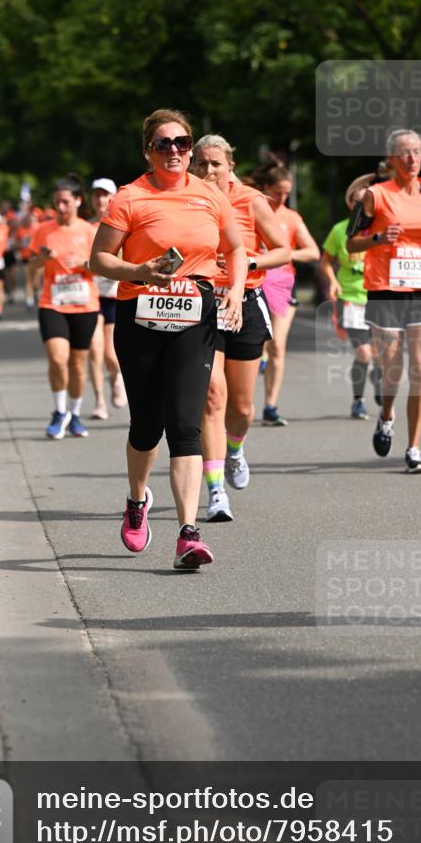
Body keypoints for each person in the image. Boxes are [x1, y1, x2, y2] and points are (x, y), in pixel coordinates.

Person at [89, 108, 246, 569]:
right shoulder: (130, 197)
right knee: (146, 426)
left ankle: (187, 534)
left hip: (195, 317)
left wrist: (235, 292)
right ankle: (137, 500)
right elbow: (99, 259)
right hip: (139, 317)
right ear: (148, 151)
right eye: (164, 144)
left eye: (182, 143)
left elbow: (236, 247)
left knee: (185, 425)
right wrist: (139, 270)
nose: (175, 151)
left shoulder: (209, 195)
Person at [192, 136, 291, 522]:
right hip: (203, 305)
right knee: (212, 396)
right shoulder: (187, 200)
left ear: (230, 165)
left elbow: (281, 250)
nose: (208, 171)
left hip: (245, 304)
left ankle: (235, 448)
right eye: (201, 164)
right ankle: (216, 490)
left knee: (242, 407)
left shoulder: (251, 201)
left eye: (216, 163)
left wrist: (249, 263)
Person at [348, 129, 421, 473]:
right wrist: (379, 238)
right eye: (405, 153)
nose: (412, 159)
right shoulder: (376, 195)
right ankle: (386, 415)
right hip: (385, 289)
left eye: (417, 152)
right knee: (393, 371)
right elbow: (351, 242)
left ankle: (414, 448)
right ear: (392, 159)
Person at [249, 162, 320, 426]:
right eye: (278, 192)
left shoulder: (292, 218)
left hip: (281, 282)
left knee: (277, 343)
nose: (282, 197)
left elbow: (313, 251)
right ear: (266, 187)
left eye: (287, 193)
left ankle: (270, 406)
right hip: (254, 279)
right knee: (257, 343)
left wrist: (284, 254)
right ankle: (243, 402)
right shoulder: (252, 209)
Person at [30, 177, 98, 439]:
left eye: (65, 202)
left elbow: (103, 268)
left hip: (84, 305)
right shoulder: (43, 230)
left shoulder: (89, 231)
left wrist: (84, 264)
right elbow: (32, 265)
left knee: (78, 365)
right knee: (58, 359)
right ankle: (60, 412)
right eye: (57, 202)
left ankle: (75, 414)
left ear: (78, 201)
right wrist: (41, 258)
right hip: (52, 303)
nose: (60, 207)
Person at [321, 172, 383, 420]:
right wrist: (333, 280)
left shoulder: (380, 230)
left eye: (367, 202)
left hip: (378, 297)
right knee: (364, 353)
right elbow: (325, 262)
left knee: (379, 354)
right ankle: (358, 400)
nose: (363, 207)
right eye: (358, 202)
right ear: (350, 204)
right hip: (350, 299)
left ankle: (378, 378)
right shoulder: (340, 230)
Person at [87, 178, 127, 420]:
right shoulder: (86, 226)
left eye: (105, 195)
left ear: (113, 198)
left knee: (110, 354)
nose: (100, 199)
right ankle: (99, 401)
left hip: (113, 294)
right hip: (89, 296)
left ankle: (115, 375)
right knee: (94, 350)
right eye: (96, 195)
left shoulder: (120, 225)